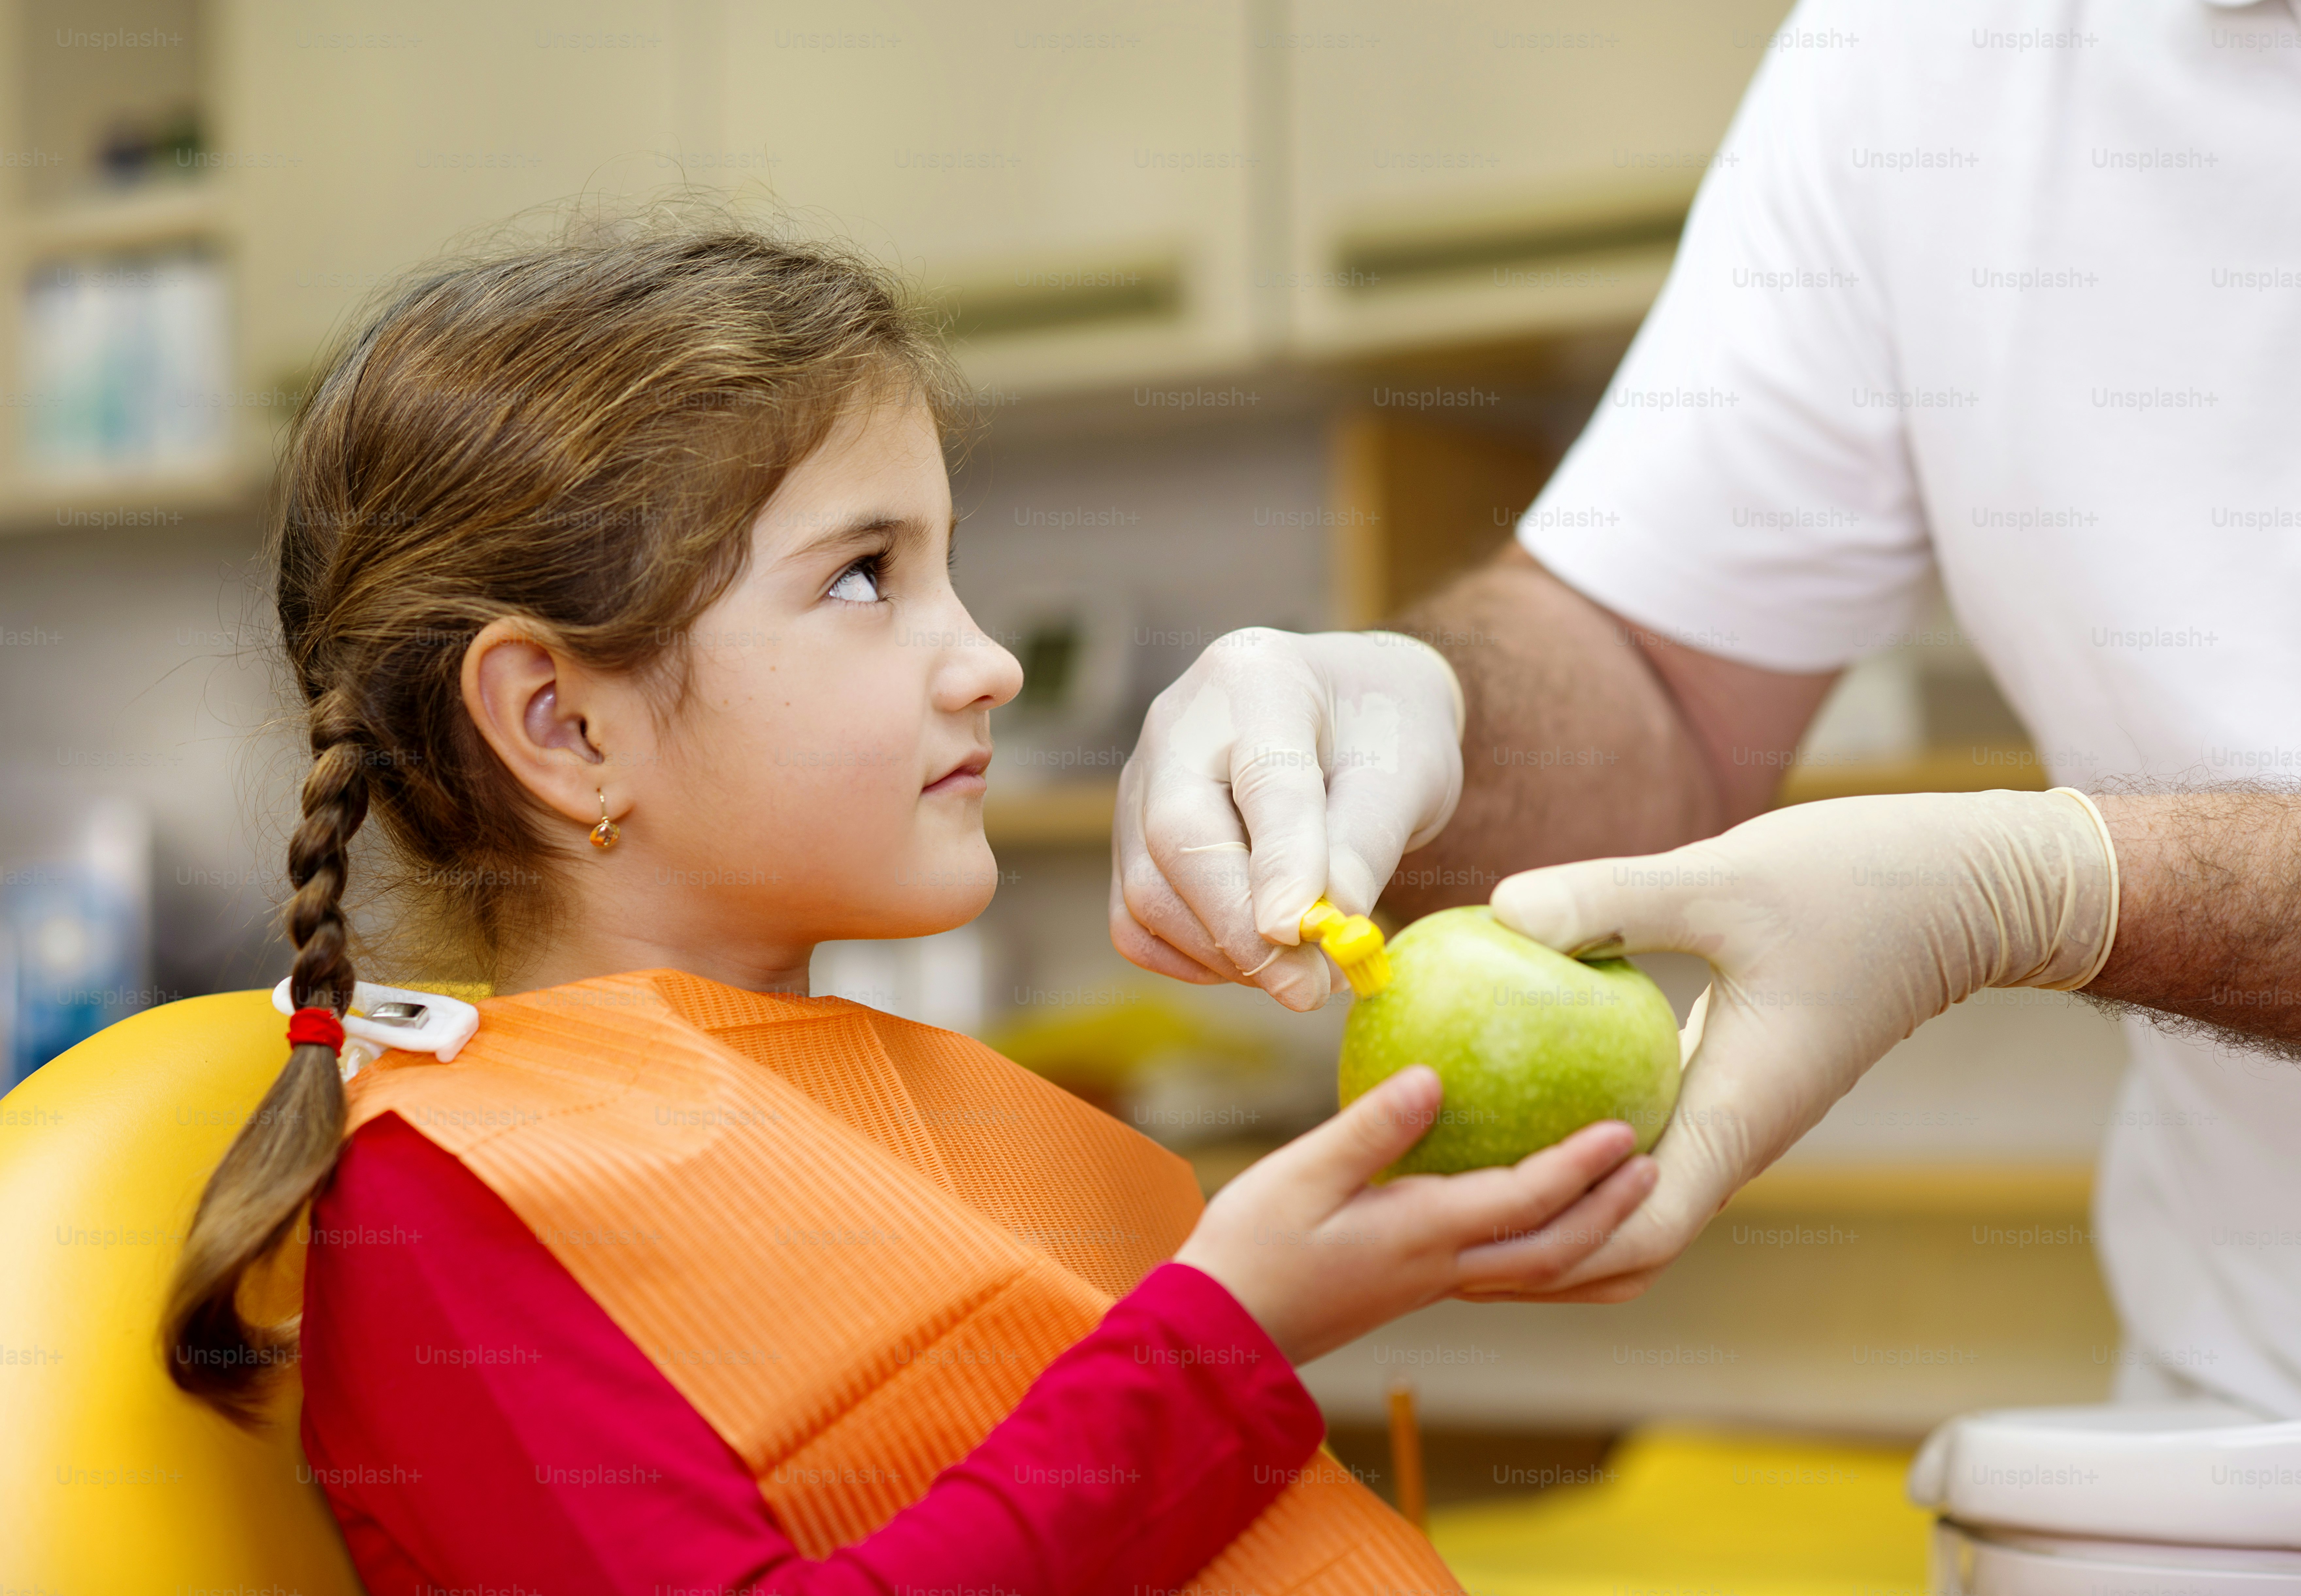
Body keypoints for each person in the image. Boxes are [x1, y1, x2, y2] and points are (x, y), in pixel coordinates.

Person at [158, 220, 1656, 1595]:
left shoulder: (891, 1105)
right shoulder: (438, 1223)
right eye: (868, 580)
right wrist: (1231, 1338)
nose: (990, 660)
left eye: (951, 567)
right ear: (563, 726)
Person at [1112, 0, 2301, 1415]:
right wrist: (1416, 710)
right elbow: (1661, 681)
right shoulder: (1925, 50)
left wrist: (2061, 891)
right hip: (2224, 1418)